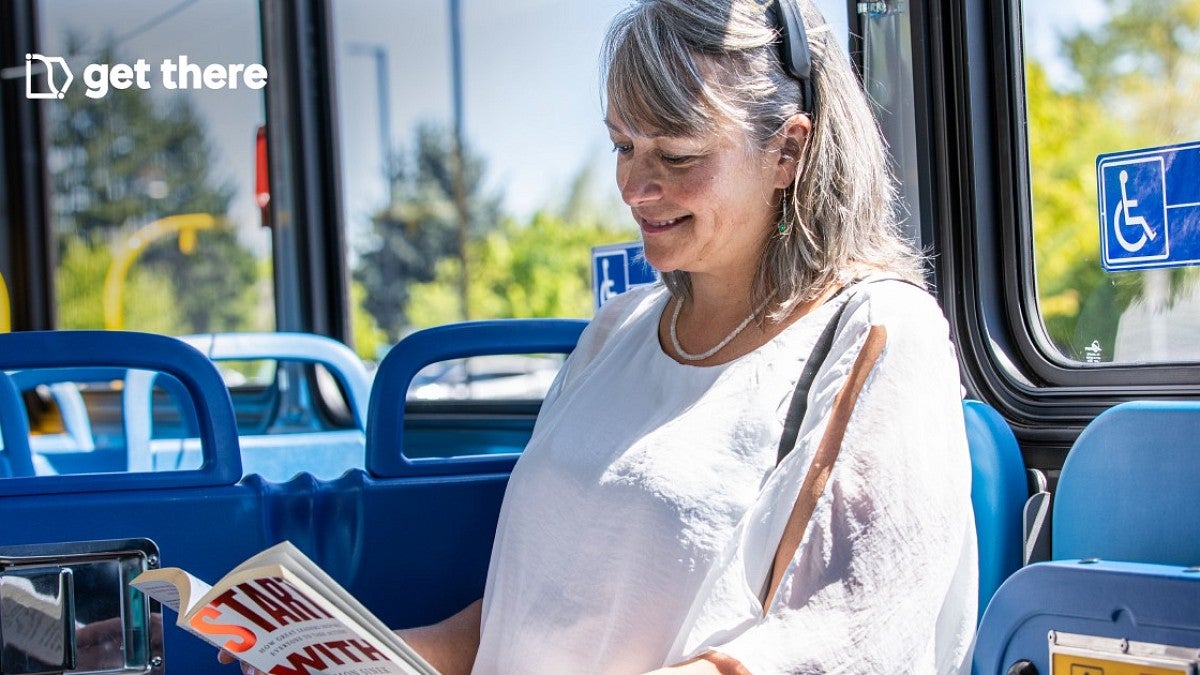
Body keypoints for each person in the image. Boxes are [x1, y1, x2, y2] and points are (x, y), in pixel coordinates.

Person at [224, 0, 975, 672]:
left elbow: (847, 640)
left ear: (788, 151)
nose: (636, 187)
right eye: (623, 146)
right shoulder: (617, 331)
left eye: (677, 156)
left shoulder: (878, 336)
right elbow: (528, 620)